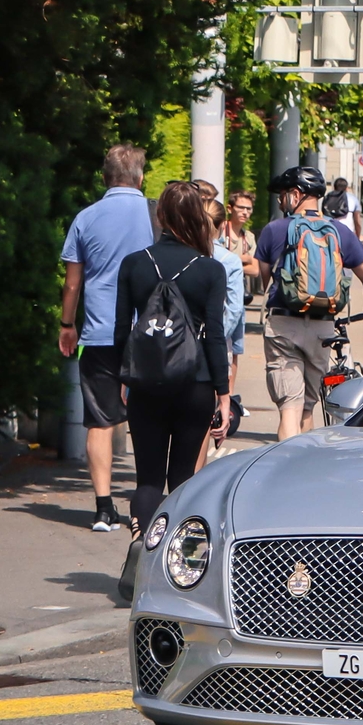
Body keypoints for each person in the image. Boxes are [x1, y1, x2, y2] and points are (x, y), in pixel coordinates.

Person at [113, 181, 231, 552]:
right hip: (194, 383)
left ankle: (141, 545)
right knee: (183, 478)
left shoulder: (133, 264)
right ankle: (172, 560)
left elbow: (121, 330)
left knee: (148, 479)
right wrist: (223, 393)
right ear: (198, 217)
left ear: (160, 216)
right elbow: (215, 335)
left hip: (146, 384)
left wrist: (124, 377)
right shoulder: (210, 270)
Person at [57, 145, 154, 533]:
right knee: (148, 416)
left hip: (99, 332)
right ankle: (148, 504)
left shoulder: (85, 218)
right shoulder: (155, 215)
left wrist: (68, 324)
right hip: (150, 334)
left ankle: (102, 507)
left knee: (100, 420)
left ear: (105, 178)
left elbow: (72, 282)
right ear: (140, 177)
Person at [255, 166, 363, 439]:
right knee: (307, 409)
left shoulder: (274, 230)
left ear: (296, 195)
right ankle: (304, 469)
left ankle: (285, 471)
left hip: (283, 326)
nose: (280, 201)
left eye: (282, 195)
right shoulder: (340, 232)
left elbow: (263, 282)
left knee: (290, 407)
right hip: (323, 328)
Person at [195, 185, 247, 463]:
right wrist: (219, 338)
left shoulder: (185, 255)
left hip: (177, 344)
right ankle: (192, 477)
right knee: (204, 418)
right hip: (215, 345)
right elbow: (234, 309)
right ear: (220, 225)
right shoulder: (228, 261)